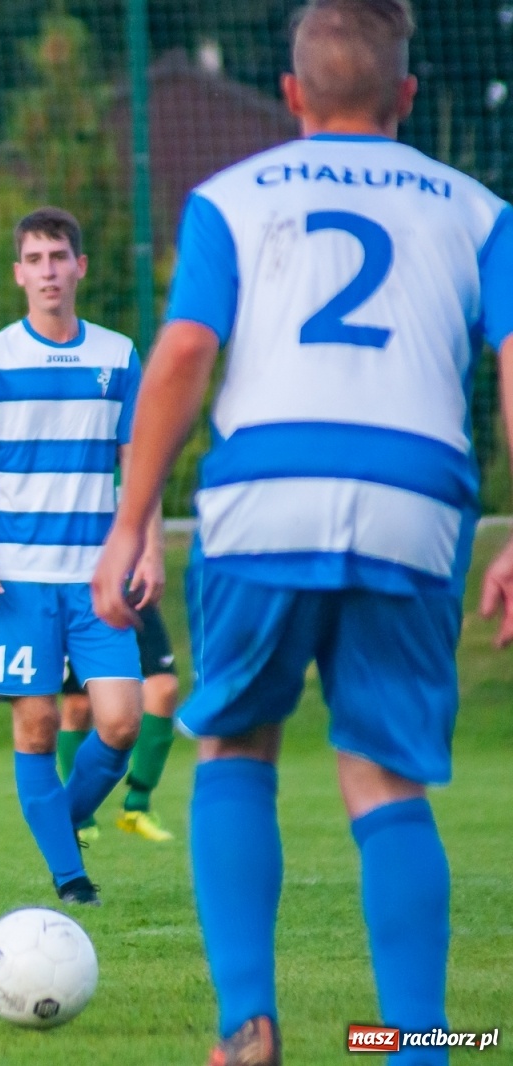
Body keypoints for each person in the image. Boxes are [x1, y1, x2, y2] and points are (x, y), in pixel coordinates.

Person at [91, 2, 513, 1062]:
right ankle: (414, 1043)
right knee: (382, 773)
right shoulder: (479, 211)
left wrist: (129, 521)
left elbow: (186, 350)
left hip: (266, 482)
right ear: (407, 96)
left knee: (235, 741)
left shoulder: (230, 198)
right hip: (416, 493)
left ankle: (246, 1027)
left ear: (289, 97)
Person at [0, 207, 166, 906]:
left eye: (58, 257)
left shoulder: (117, 355)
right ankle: (72, 879)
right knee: (37, 723)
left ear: (80, 268)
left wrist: (150, 550)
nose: (48, 270)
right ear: (19, 273)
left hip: (99, 577)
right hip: (17, 579)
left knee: (123, 721)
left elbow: (139, 462)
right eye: (35, 259)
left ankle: (58, 824)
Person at [59, 600, 180, 843]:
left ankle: (137, 805)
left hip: (131, 591)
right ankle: (77, 816)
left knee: (163, 687)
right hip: (82, 591)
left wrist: (149, 560)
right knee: (79, 705)